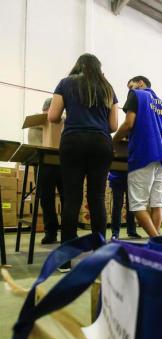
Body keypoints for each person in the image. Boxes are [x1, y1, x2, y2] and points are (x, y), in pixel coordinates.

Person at [48, 53, 118, 271]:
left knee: (71, 198)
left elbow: (52, 116)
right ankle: (99, 256)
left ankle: (66, 259)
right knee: (96, 197)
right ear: (98, 68)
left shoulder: (65, 83)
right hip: (100, 143)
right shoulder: (107, 88)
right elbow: (114, 125)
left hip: (73, 142)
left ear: (77, 65)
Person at [113, 76, 162, 238]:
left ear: (140, 83)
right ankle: (155, 243)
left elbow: (128, 124)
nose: (130, 90)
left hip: (142, 155)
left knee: (137, 206)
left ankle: (156, 240)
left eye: (131, 86)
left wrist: (113, 141)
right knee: (157, 204)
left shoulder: (137, 95)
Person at [28, 98, 64, 244]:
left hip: (62, 163)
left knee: (66, 199)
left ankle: (66, 233)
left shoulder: (65, 121)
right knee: (46, 200)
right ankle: (51, 232)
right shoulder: (37, 122)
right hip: (44, 165)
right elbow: (33, 145)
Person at [108, 170, 141, 240]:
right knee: (117, 205)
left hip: (131, 176)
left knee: (131, 205)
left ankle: (131, 231)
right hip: (116, 176)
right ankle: (115, 232)